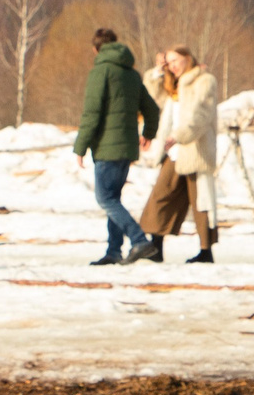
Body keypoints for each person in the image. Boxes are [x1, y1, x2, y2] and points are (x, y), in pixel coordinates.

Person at [72, 28, 160, 266]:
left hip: (107, 148)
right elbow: (152, 109)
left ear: (96, 49)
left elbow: (92, 113)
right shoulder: (131, 74)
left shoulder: (100, 72)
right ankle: (113, 251)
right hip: (127, 147)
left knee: (105, 199)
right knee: (114, 198)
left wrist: (80, 146)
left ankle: (139, 240)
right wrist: (148, 133)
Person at [138, 47, 220, 263]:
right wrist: (157, 72)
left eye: (176, 60)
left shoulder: (204, 81)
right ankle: (155, 247)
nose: (173, 65)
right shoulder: (174, 85)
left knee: (200, 200)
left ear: (188, 58)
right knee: (161, 195)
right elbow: (151, 96)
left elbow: (202, 113)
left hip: (194, 148)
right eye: (169, 62)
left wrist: (181, 135)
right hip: (173, 152)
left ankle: (206, 250)